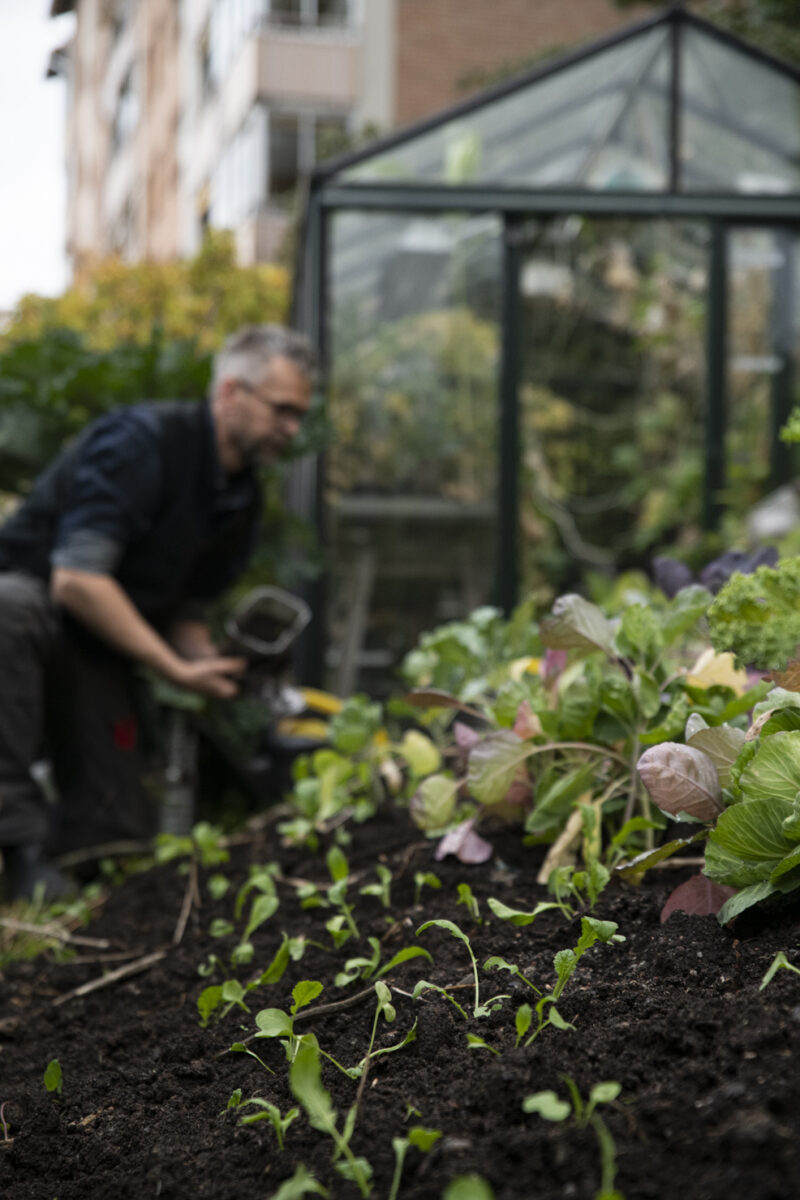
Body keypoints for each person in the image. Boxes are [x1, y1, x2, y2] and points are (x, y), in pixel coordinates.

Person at [0, 323, 315, 900]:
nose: (292, 430)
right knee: (10, 606)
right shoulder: (141, 444)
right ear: (230, 393)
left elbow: (184, 611)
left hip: (99, 644)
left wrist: (209, 665)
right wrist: (173, 670)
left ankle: (66, 872)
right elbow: (76, 581)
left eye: (299, 416)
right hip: (35, 615)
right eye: (282, 411)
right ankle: (15, 851)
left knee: (114, 840)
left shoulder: (240, 498)